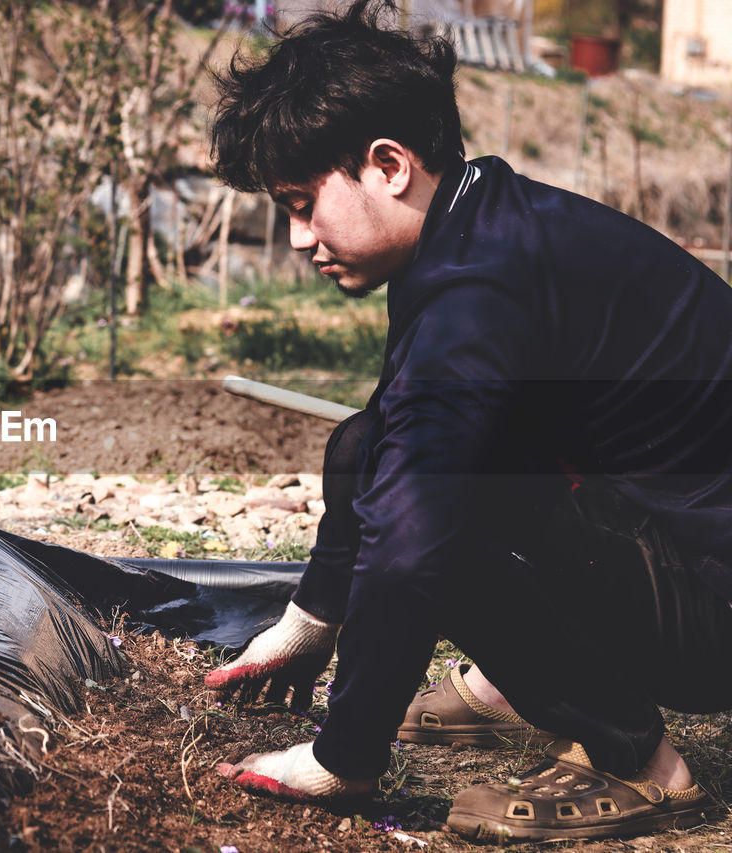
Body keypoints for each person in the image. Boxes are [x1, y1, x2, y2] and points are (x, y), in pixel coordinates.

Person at [202, 0, 732, 842]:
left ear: (387, 164)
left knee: (438, 503)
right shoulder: (483, 222)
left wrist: (346, 751)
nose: (299, 238)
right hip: (683, 544)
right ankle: (506, 686)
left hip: (712, 603)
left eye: (304, 202)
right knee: (385, 445)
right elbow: (378, 439)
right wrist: (311, 626)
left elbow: (411, 540)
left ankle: (639, 765)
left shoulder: (475, 292)